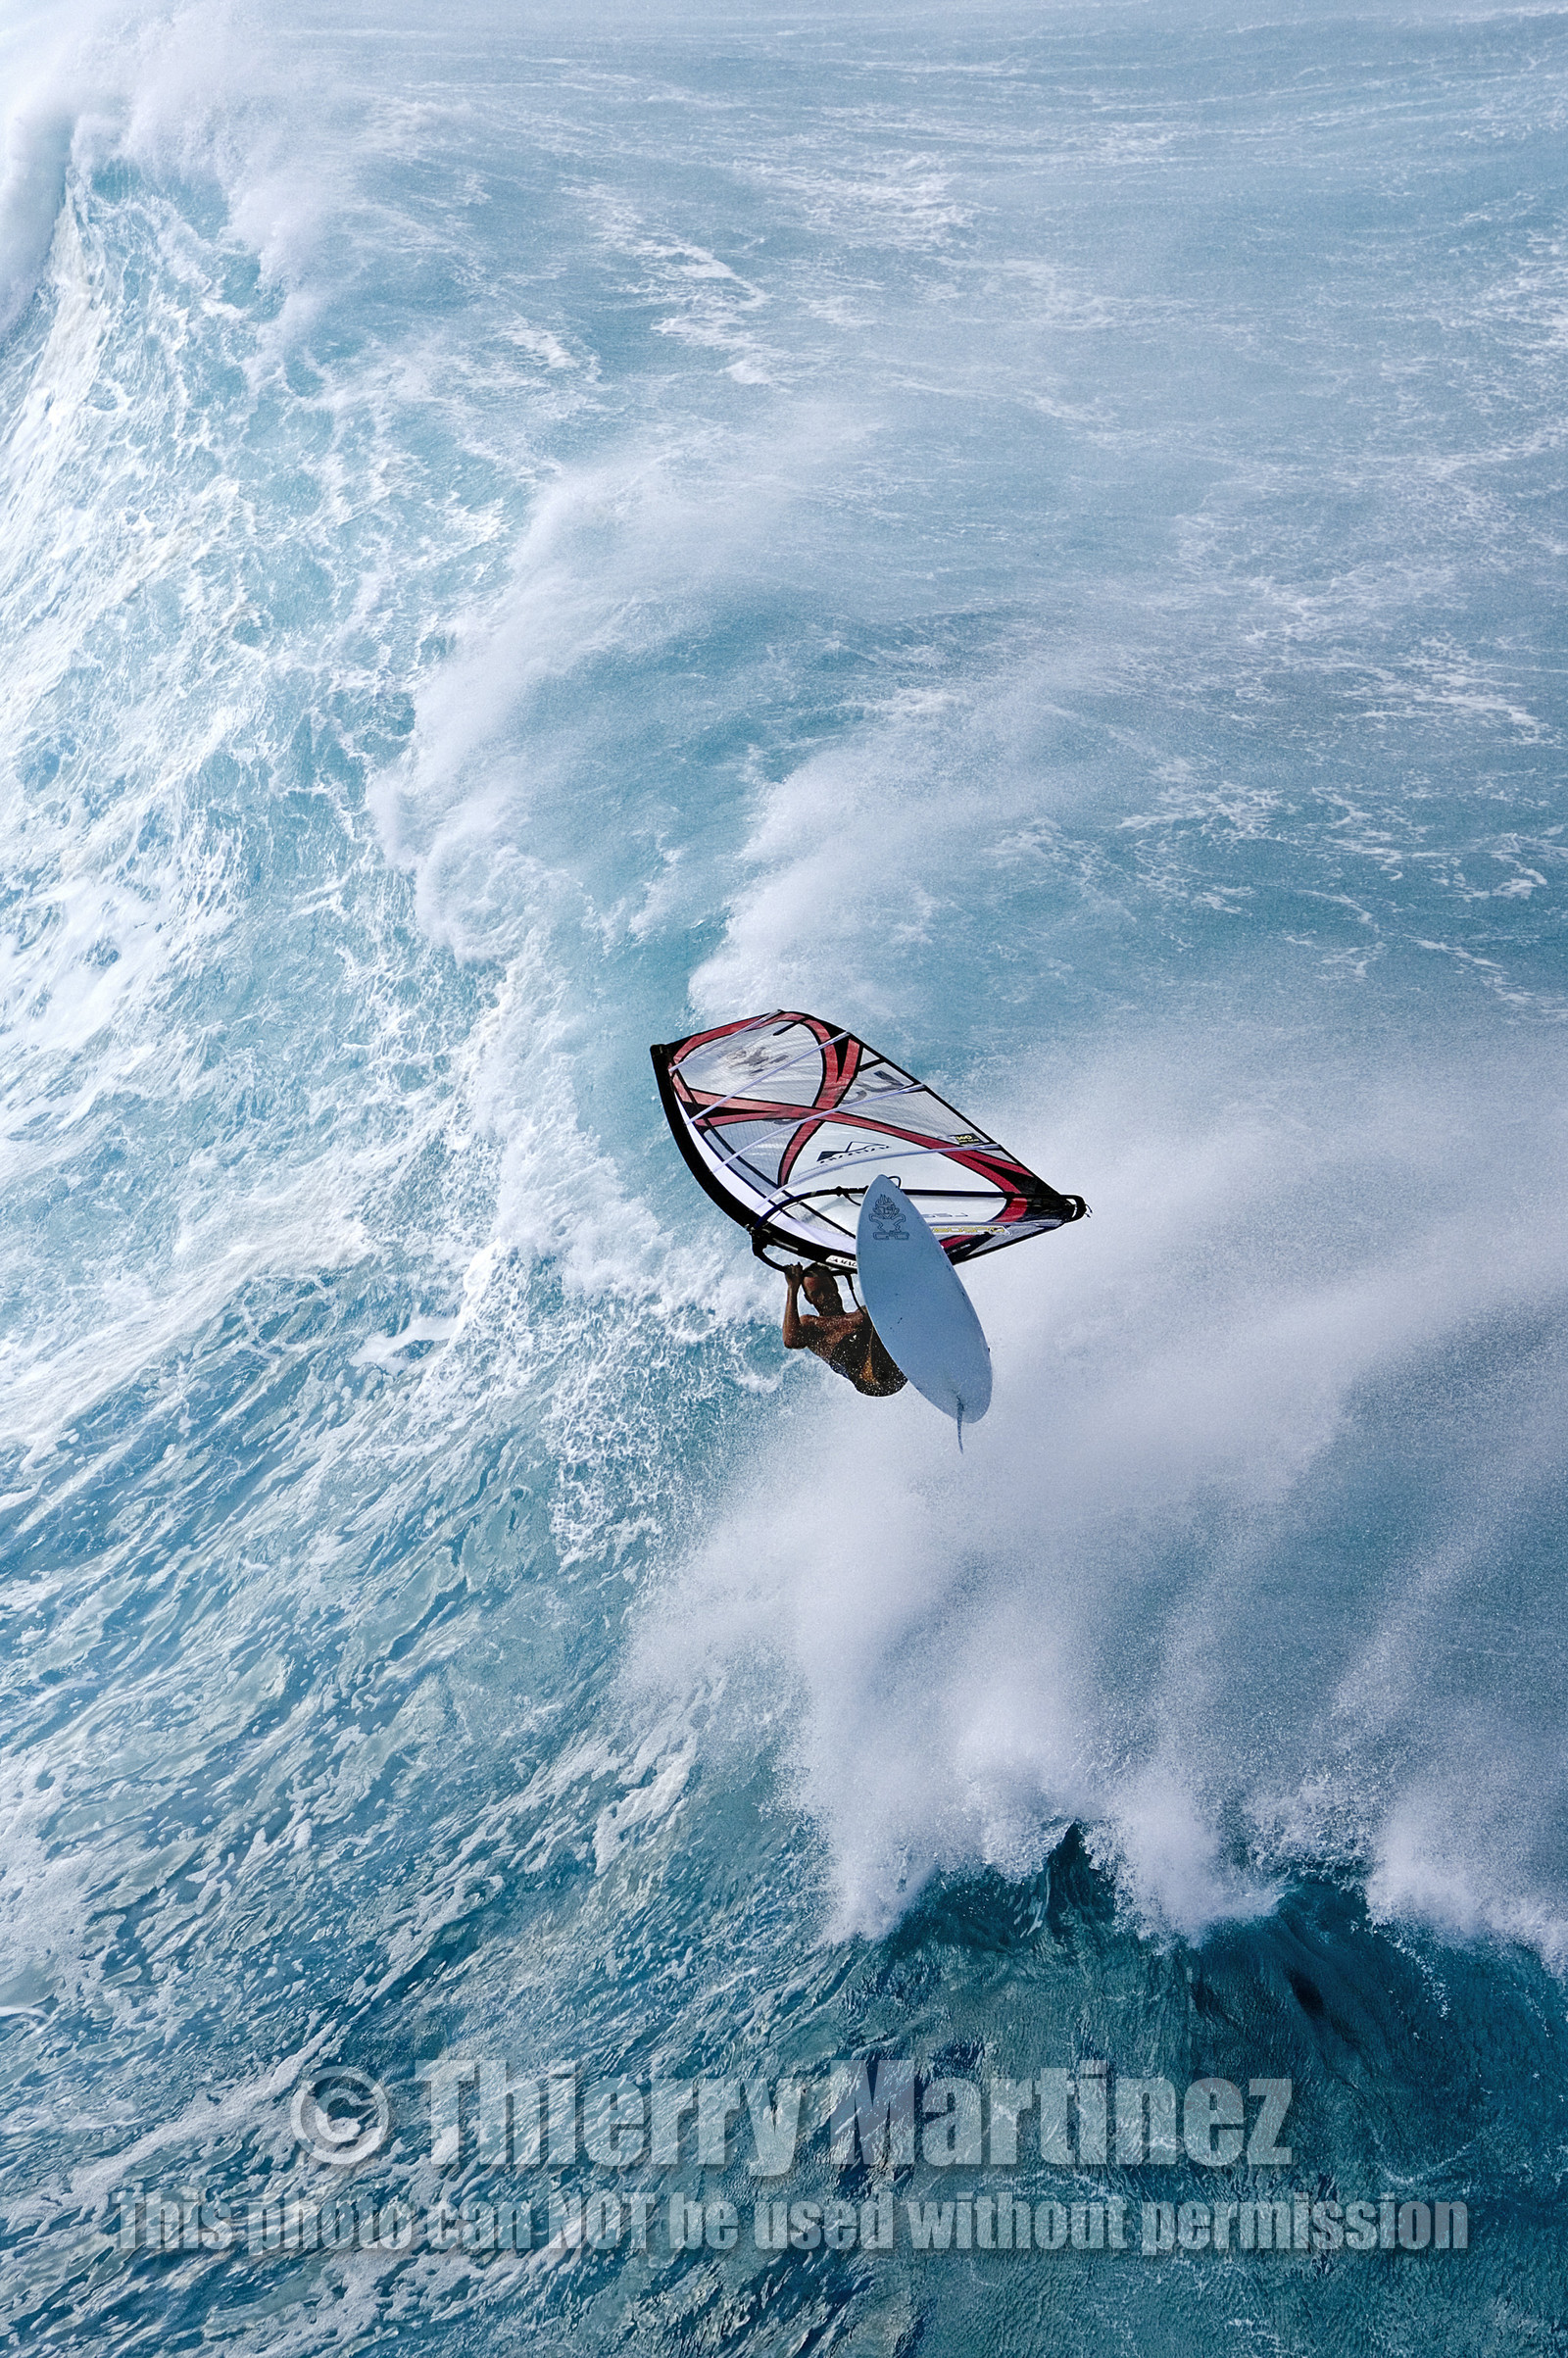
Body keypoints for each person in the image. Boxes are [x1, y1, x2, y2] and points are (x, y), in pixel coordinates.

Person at [782, 1263, 906, 1399]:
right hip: (872, 1381)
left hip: (900, 1371)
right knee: (874, 1316)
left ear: (835, 1286)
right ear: (809, 1299)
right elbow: (790, 1340)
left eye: (827, 1289)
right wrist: (792, 1288)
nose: (824, 1297)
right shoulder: (813, 1326)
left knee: (883, 1310)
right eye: (816, 1293)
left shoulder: (861, 1314)